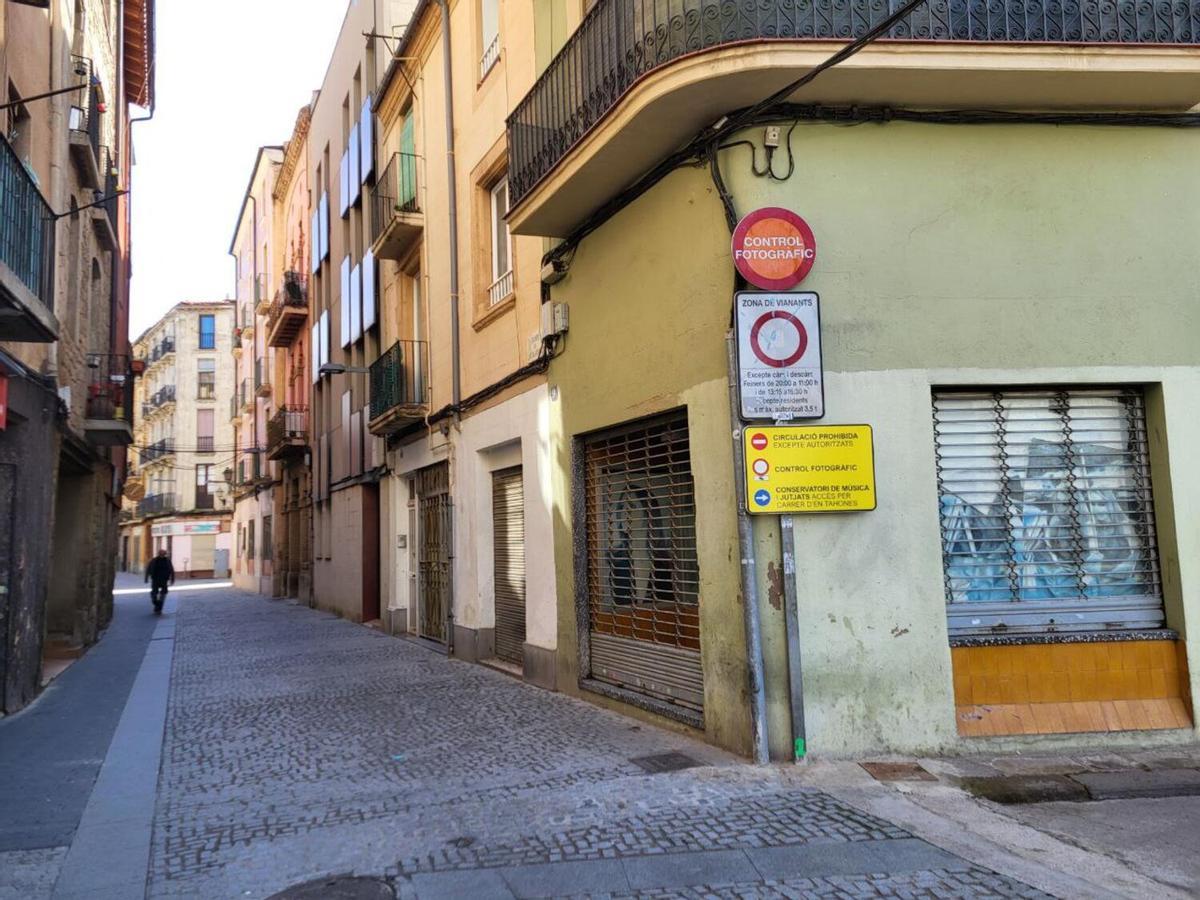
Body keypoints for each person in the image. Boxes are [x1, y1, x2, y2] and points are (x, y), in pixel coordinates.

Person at [145, 549, 175, 615]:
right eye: (161, 553)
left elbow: (171, 570)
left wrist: (172, 579)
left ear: (165, 554)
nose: (162, 554)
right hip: (155, 579)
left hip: (164, 580)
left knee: (163, 594)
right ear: (158, 554)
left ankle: (158, 608)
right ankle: (155, 602)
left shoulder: (167, 561)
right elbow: (148, 568)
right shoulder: (154, 560)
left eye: (163, 553)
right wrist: (146, 578)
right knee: (154, 593)